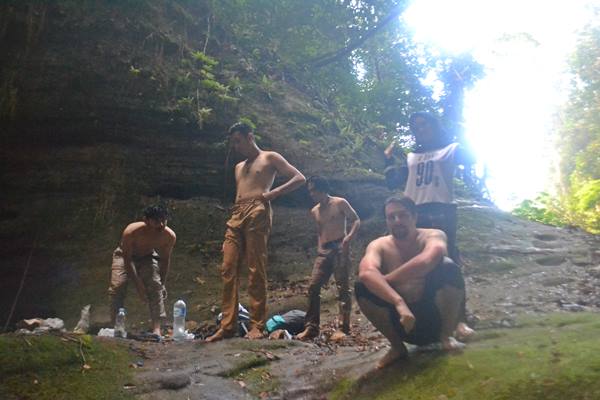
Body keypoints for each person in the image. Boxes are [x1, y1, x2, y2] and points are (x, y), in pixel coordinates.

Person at [206, 122, 306, 342]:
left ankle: (257, 326)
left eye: (238, 141)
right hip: (237, 212)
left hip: (258, 210)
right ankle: (228, 325)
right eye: (233, 143)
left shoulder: (270, 157)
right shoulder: (238, 167)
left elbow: (299, 178)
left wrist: (273, 194)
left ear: (250, 137)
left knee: (255, 268)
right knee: (228, 267)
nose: (235, 146)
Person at [356, 195, 466, 369]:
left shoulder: (433, 235)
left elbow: (429, 258)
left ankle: (447, 336)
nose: (397, 221)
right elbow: (366, 273)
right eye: (391, 217)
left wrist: (384, 280)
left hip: (436, 318)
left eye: (403, 215)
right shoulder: (379, 245)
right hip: (403, 322)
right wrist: (398, 302)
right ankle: (397, 347)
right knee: (362, 286)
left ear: (414, 216)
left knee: (448, 267)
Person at [402, 111, 474, 339]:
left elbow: (471, 158)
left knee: (448, 259)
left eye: (424, 125)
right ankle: (432, 319)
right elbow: (396, 181)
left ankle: (460, 319)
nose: (420, 130)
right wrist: (387, 160)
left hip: (442, 209)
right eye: (416, 127)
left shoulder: (450, 149)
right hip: (416, 211)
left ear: (434, 125)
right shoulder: (411, 156)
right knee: (420, 263)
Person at [296, 176, 361, 340]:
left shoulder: (340, 203)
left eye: (314, 190)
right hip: (324, 250)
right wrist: (320, 247)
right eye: (310, 191)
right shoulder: (315, 211)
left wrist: (348, 238)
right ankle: (312, 327)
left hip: (340, 247)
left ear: (322, 189)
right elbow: (320, 231)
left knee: (342, 287)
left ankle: (343, 328)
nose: (312, 194)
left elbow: (356, 220)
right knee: (313, 286)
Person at [108, 204, 176, 336]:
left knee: (155, 285)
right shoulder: (131, 232)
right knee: (117, 286)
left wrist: (162, 283)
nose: (161, 225)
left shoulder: (169, 236)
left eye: (164, 220)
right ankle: (116, 325)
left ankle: (157, 327)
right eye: (156, 221)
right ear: (146, 220)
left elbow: (165, 260)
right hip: (124, 256)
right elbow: (127, 260)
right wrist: (139, 285)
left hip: (147, 256)